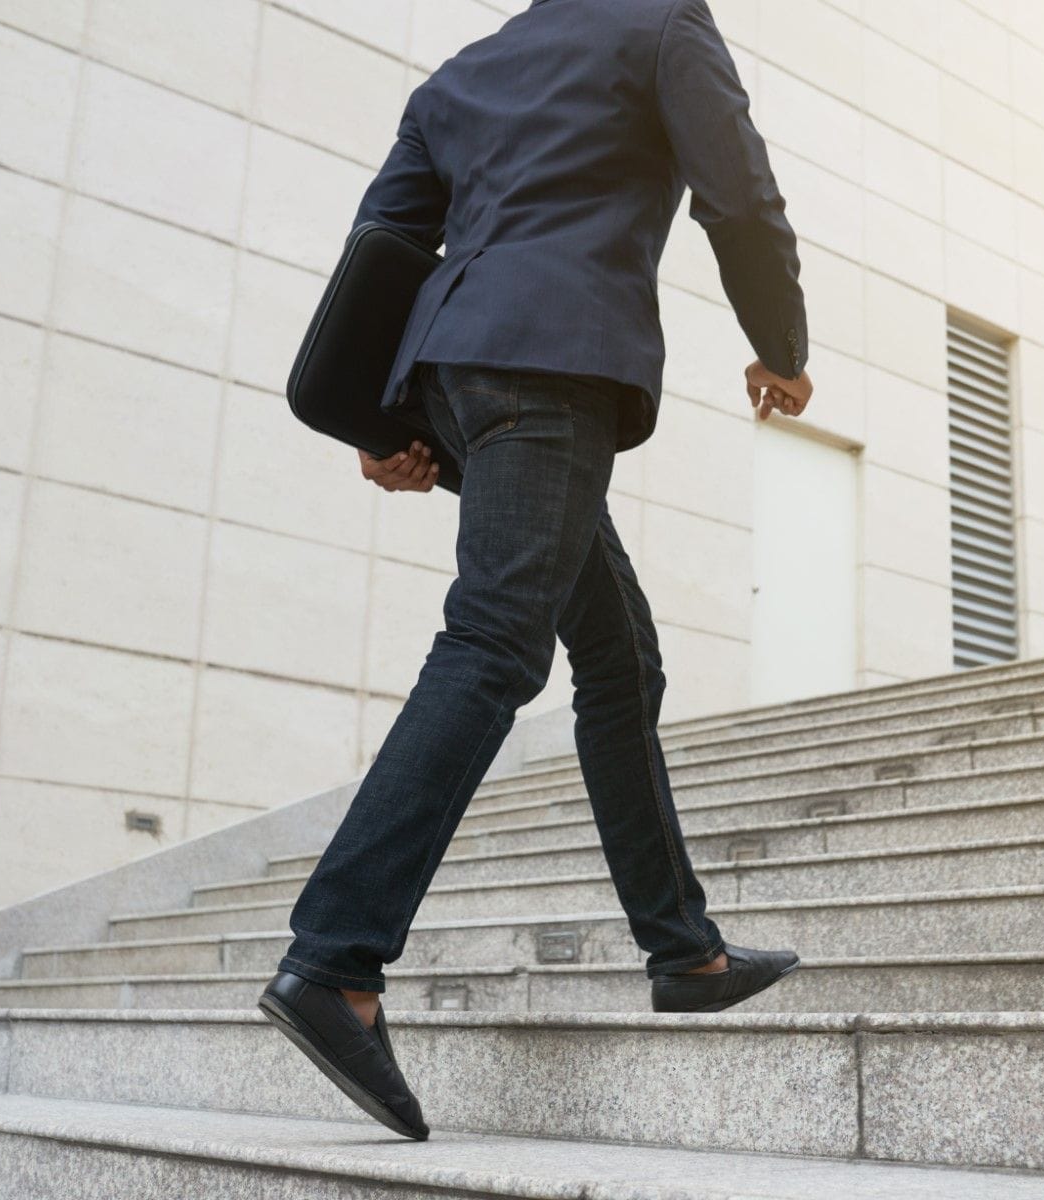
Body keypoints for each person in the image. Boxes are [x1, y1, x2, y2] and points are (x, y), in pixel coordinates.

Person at [258, 0, 814, 1141]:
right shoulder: (664, 24)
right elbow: (739, 196)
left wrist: (379, 420)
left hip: (456, 378)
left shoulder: (466, 70)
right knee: (495, 642)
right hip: (551, 371)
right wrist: (782, 347)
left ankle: (684, 953)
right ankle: (334, 960)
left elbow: (380, 243)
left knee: (618, 658)